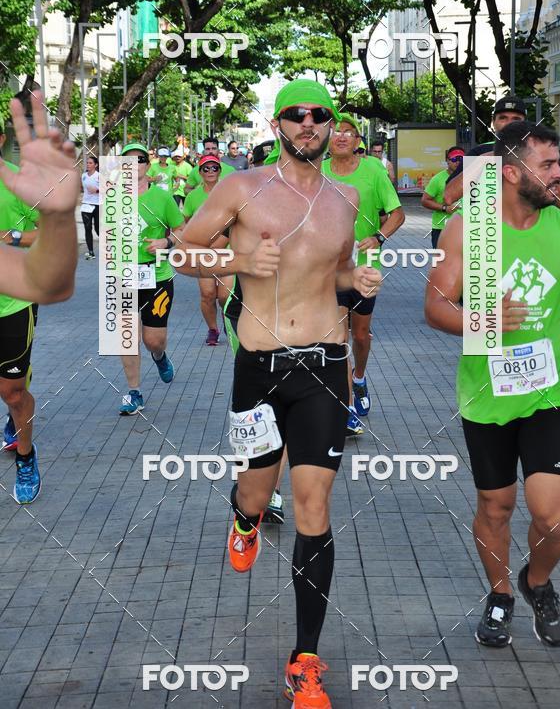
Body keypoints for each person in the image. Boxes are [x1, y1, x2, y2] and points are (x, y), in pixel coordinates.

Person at [177, 78, 381, 708]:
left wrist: (359, 280)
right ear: (278, 123)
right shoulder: (241, 188)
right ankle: (244, 519)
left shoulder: (346, 199)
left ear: (331, 126)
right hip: (259, 367)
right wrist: (237, 265)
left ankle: (306, 661)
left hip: (324, 362)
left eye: (321, 116)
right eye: (297, 115)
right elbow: (181, 251)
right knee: (257, 491)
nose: (309, 124)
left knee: (314, 506)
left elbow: (336, 273)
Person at [425, 121, 560, 649]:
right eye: (547, 165)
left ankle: (536, 583)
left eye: (558, 163)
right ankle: (500, 595)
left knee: (552, 512)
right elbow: (434, 308)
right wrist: (485, 320)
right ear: (510, 171)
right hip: (486, 393)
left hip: (548, 390)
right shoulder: (466, 230)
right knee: (496, 506)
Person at [0, 90, 79, 502]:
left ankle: (26, 457)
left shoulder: (16, 184)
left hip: (12, 302)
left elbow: (48, 237)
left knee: (13, 393)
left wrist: (13, 235)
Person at [323, 113, 404, 433]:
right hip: (331, 267)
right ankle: (347, 408)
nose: (341, 137)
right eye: (336, 132)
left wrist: (379, 237)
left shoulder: (373, 169)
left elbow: (397, 213)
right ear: (327, 139)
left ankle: (359, 378)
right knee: (338, 337)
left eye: (348, 133)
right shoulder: (317, 170)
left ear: (358, 141)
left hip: (367, 265)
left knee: (360, 335)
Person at [118, 142, 185, 416]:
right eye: (128, 161)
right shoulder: (113, 199)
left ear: (148, 165)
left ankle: (159, 356)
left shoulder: (162, 197)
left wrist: (165, 241)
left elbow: (181, 229)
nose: (135, 165)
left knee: (153, 339)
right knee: (126, 336)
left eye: (140, 160)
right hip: (123, 275)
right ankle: (134, 393)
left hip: (156, 275)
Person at [444, 95, 560, 212]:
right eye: (503, 118)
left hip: (533, 232)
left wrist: (549, 177)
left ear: (524, 123)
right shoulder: (478, 153)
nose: (509, 123)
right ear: (493, 122)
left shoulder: (542, 153)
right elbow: (449, 196)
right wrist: (485, 160)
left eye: (516, 119)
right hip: (487, 233)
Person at [182, 155, 234, 345]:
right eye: (206, 168)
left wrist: (221, 241)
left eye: (214, 168)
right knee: (207, 294)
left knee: (225, 295)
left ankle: (227, 322)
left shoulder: (230, 193)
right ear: (200, 172)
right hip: (203, 252)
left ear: (220, 170)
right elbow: (187, 224)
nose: (210, 172)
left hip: (226, 251)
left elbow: (236, 220)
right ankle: (213, 329)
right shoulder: (193, 196)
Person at [421, 147, 464, 248]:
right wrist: (444, 208)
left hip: (464, 227)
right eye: (454, 159)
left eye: (461, 159)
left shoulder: (472, 176)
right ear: (447, 161)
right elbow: (425, 200)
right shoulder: (437, 179)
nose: (457, 162)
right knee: (441, 261)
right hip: (441, 228)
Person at [81, 155, 100, 259]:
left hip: (97, 205)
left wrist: (96, 190)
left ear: (96, 165)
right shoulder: (83, 175)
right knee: (87, 228)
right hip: (86, 205)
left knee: (98, 229)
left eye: (90, 163)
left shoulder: (99, 176)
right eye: (87, 163)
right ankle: (91, 252)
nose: (88, 164)